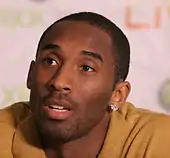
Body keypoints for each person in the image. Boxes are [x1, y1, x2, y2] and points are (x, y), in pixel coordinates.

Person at [0, 12, 170, 158]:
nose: (59, 82)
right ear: (30, 74)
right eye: (50, 61)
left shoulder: (160, 140)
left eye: (86, 68)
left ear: (117, 94)